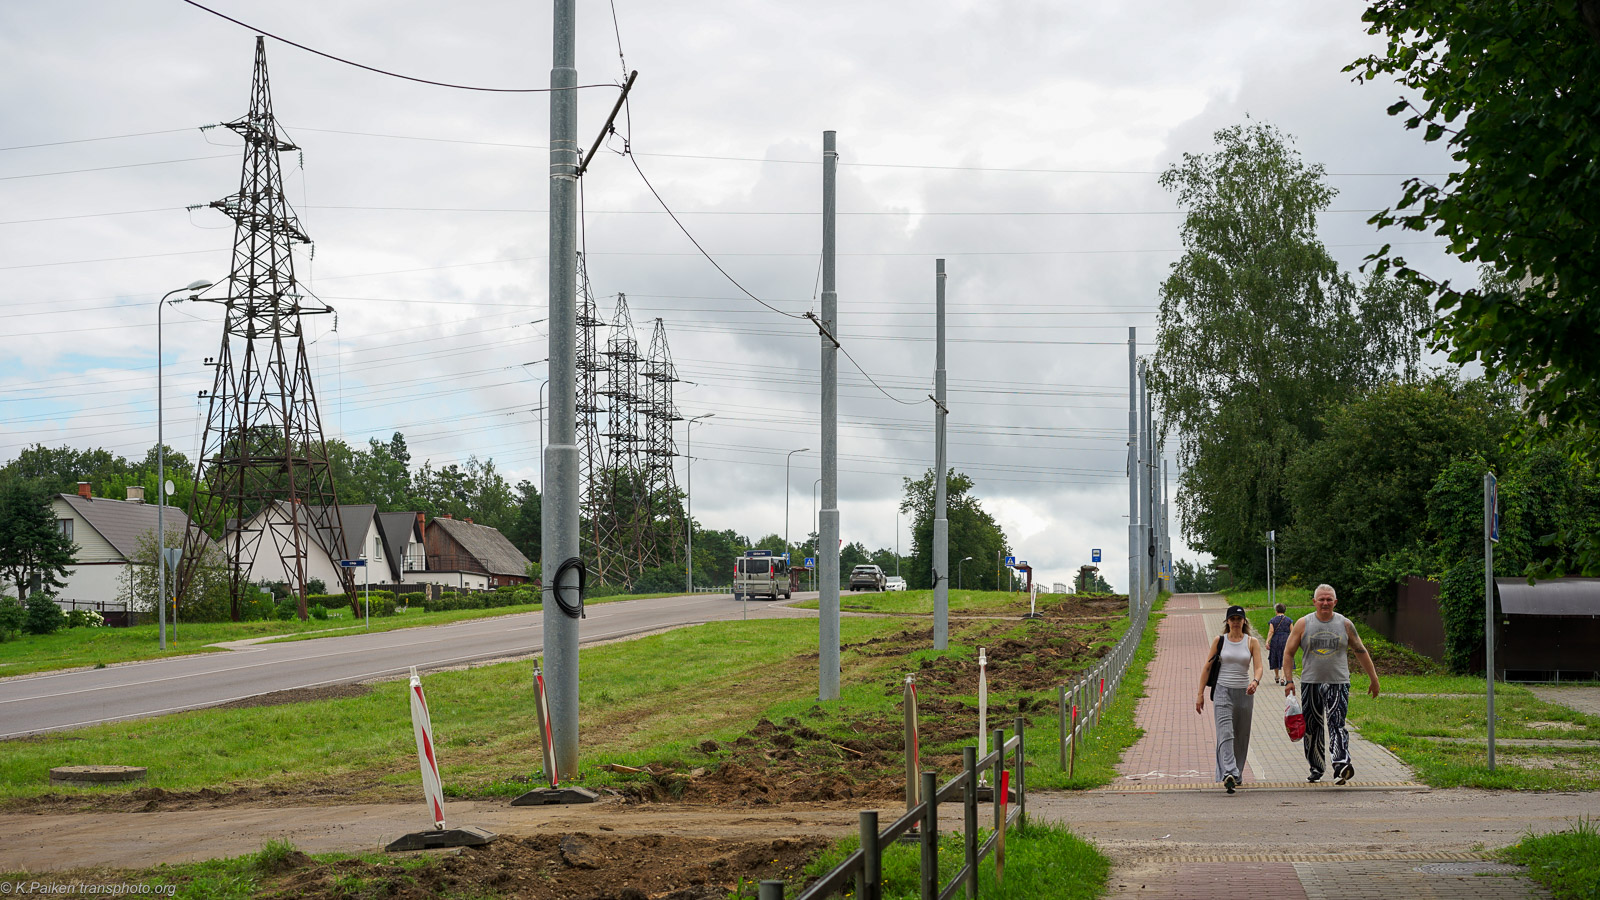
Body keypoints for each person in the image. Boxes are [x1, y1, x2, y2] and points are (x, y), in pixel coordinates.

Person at [1282, 584, 1381, 784]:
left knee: (1337, 723)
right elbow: (1288, 652)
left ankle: (1341, 764)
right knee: (1312, 726)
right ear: (1314, 602)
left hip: (1338, 682)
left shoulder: (1345, 624)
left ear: (1335, 602)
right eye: (1321, 599)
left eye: (1329, 600)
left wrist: (1374, 678)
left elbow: (1360, 650)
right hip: (1311, 682)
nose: (1325, 603)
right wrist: (1289, 680)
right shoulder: (1303, 624)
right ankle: (1316, 767)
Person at [1195, 604, 1264, 793]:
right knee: (1226, 732)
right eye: (1232, 619)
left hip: (1244, 692)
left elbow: (1258, 666)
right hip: (1222, 691)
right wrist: (1200, 694)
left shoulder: (1252, 642)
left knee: (1241, 735)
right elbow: (1207, 668)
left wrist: (1255, 682)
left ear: (1244, 621)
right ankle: (1228, 772)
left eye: (1238, 619)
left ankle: (1237, 774)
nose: (1235, 622)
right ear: (1227, 621)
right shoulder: (1220, 641)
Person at [1265, 603, 1294, 685]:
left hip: (1275, 640)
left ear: (1276, 611)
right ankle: (1282, 678)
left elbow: (1271, 631)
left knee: (1275, 656)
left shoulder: (1273, 620)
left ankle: (1277, 675)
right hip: (1286, 640)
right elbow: (1293, 631)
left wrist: (1267, 641)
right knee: (1285, 657)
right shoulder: (1289, 620)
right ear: (1284, 611)